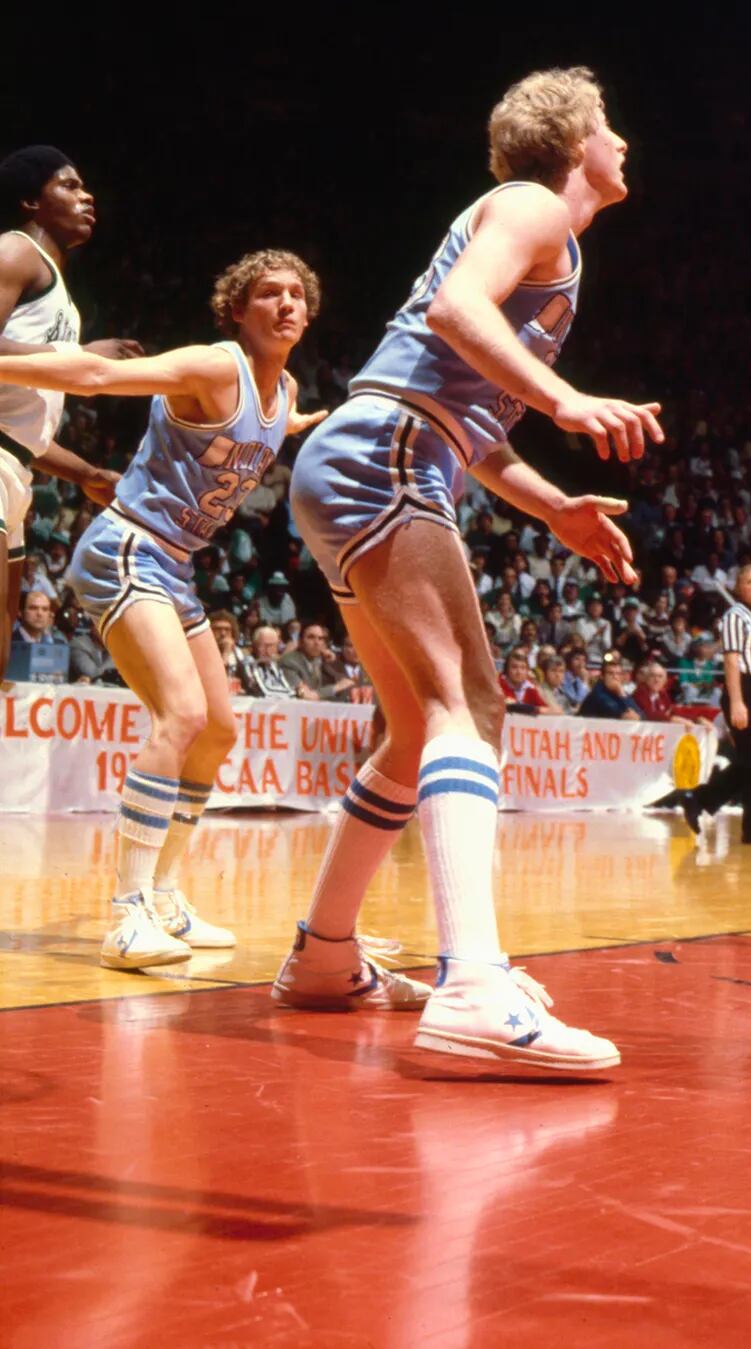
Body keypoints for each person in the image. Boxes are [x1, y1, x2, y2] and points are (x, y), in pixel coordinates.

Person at [273, 65, 659, 1075]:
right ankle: (474, 988)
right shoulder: (536, 208)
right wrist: (571, 402)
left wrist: (554, 508)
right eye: (610, 124)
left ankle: (323, 956)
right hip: (385, 454)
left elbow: (477, 433)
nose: (624, 141)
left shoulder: (538, 244)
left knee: (411, 732)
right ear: (578, 140)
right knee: (470, 710)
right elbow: (452, 312)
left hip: (371, 452)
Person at [0, 250, 323, 968]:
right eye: (268, 293)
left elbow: (272, 419)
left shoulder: (285, 389)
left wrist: (296, 423)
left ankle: (167, 897)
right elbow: (95, 375)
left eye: (297, 293)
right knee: (178, 715)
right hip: (126, 546)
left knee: (217, 730)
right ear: (238, 310)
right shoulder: (213, 366)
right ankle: (126, 914)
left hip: (174, 564)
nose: (286, 303)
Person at [0, 145, 137, 684]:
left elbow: (17, 424)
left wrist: (86, 473)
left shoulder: (58, 292)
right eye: (70, 185)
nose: (87, 196)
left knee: (4, 635)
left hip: (15, 466)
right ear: (33, 200)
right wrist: (78, 358)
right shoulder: (15, 253)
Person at [682, 563, 751, 845]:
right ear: (739, 588)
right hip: (743, 689)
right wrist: (738, 702)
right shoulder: (735, 616)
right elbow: (732, 661)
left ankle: (700, 799)